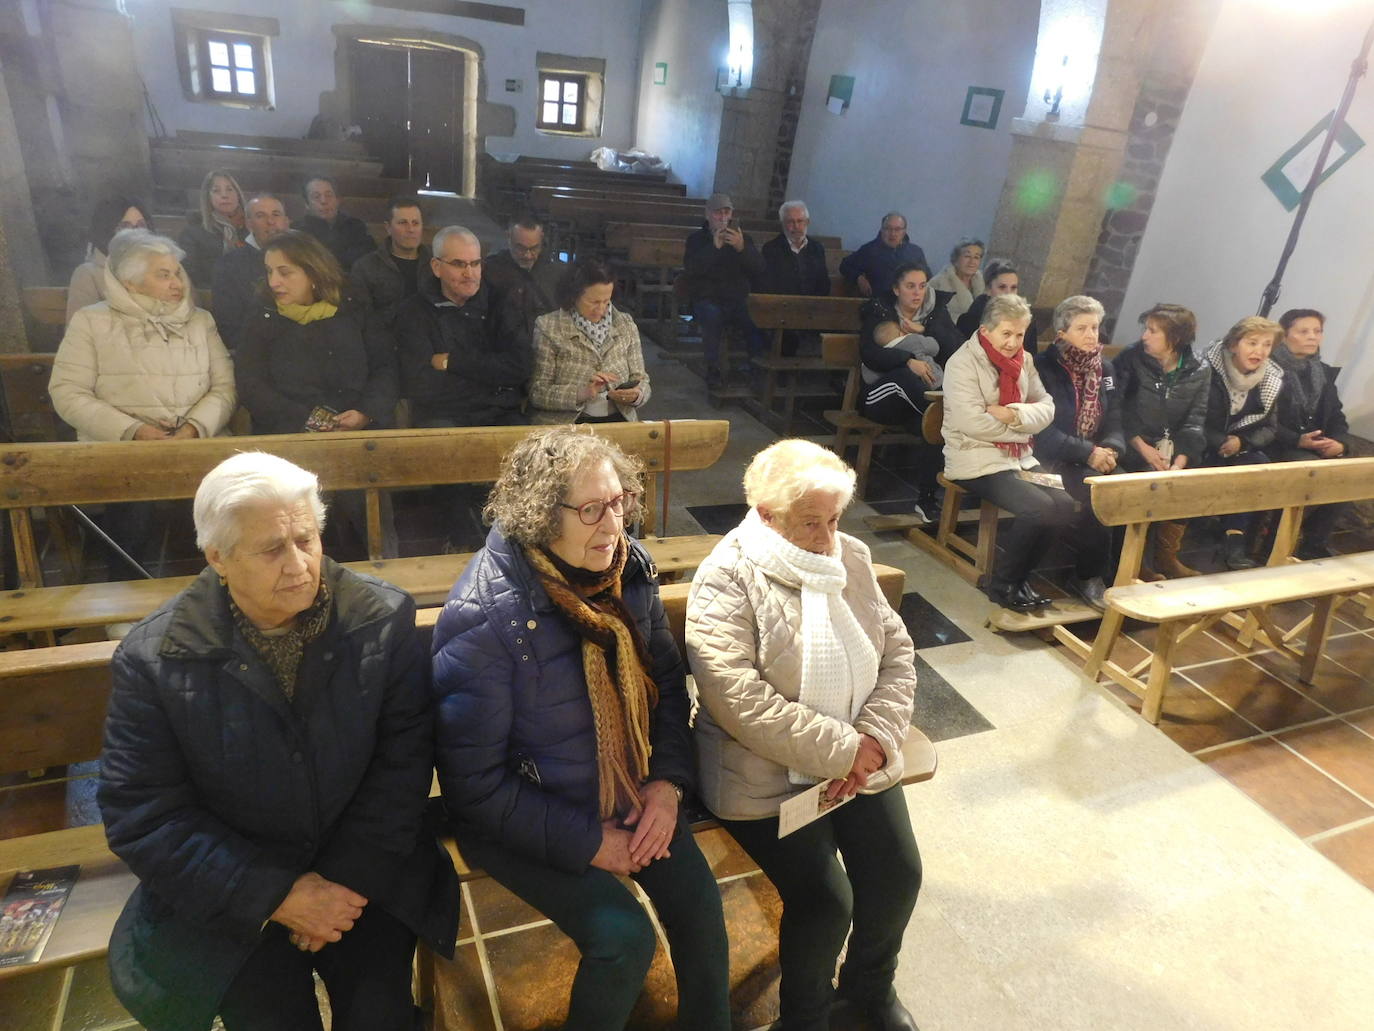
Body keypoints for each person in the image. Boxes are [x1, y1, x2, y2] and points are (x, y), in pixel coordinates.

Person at [98, 451, 459, 1031]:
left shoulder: (379, 619)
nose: (299, 564)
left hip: (364, 871)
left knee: (379, 1014)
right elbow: (142, 812)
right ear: (217, 556)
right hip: (234, 890)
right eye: (271, 548)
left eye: (307, 538)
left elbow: (403, 764)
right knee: (272, 1017)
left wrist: (340, 884)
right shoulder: (155, 659)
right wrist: (275, 895)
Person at [432, 428, 731, 1031]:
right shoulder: (485, 618)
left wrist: (667, 785)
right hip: (523, 815)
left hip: (628, 789)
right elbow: (475, 789)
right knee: (623, 939)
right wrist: (589, 842)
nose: (613, 523)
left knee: (700, 909)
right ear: (542, 516)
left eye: (619, 501)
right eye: (591, 509)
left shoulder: (627, 572)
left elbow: (668, 688)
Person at [686, 438, 921, 1031]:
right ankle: (806, 1018)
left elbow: (897, 652)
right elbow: (738, 700)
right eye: (810, 523)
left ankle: (870, 991)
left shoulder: (854, 558)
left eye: (834, 519)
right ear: (767, 515)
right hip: (761, 776)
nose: (826, 537)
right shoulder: (725, 578)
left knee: (898, 873)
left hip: (860, 757)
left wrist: (870, 740)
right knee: (825, 902)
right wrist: (845, 750)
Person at [235, 230, 399, 557]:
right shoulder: (262, 320)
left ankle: (383, 576)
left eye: (285, 272)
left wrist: (365, 412)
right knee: (302, 520)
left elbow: (385, 368)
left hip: (354, 434)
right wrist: (309, 419)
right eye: (269, 272)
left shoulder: (353, 311)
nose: (274, 281)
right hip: (291, 438)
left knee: (366, 506)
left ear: (312, 272)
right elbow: (252, 386)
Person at [394, 224, 531, 551]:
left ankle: (521, 552)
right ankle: (467, 554)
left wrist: (454, 363)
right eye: (459, 264)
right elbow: (420, 385)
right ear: (436, 266)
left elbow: (521, 367)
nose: (470, 273)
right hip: (443, 415)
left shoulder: (499, 302)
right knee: (448, 455)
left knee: (529, 456)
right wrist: (488, 377)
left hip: (499, 411)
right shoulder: (413, 313)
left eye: (476, 263)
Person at [942, 293, 1071, 611]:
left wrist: (1013, 415)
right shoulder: (962, 362)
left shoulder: (1024, 360)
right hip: (976, 457)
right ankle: (1001, 584)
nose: (1014, 342)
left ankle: (1021, 577)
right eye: (1006, 334)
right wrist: (1026, 423)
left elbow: (1047, 406)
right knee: (1037, 507)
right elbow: (972, 423)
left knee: (1066, 504)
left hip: (1020, 457)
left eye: (1020, 334)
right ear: (986, 331)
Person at [50, 229, 236, 443]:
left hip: (197, 444)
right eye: (164, 275)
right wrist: (132, 430)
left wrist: (194, 427)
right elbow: (68, 391)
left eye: (177, 273)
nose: (177, 283)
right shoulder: (91, 321)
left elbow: (225, 387)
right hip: (118, 451)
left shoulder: (201, 321)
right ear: (130, 281)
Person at [1031, 296, 1125, 609]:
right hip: (1051, 460)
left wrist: (1111, 447)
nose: (1091, 335)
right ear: (1061, 333)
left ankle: (1116, 574)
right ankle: (1088, 576)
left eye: (1095, 327)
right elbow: (1042, 432)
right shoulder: (1044, 368)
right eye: (1081, 327)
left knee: (1131, 489)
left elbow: (1114, 418)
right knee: (1100, 493)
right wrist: (1088, 452)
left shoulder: (1105, 368)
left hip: (1093, 457)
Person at [857, 262, 959, 521]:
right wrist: (907, 359)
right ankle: (949, 418)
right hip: (879, 397)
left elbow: (957, 346)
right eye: (910, 286)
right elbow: (870, 355)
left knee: (933, 426)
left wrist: (924, 330)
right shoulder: (880, 311)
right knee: (911, 383)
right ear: (896, 289)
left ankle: (926, 501)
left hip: (917, 402)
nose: (917, 293)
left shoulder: (934, 312)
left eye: (922, 286)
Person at [1116, 303, 1211, 579]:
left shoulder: (1199, 368)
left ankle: (1166, 557)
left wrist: (1180, 463)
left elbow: (1196, 420)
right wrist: (1144, 449)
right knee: (1150, 483)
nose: (1145, 336)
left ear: (1176, 338)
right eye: (1146, 329)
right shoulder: (1131, 359)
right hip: (1131, 444)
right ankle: (1135, 563)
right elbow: (1117, 409)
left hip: (1172, 450)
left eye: (1153, 331)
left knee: (1187, 483)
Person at [1203, 316, 1285, 570]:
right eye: (1252, 343)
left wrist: (1242, 442)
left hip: (1240, 448)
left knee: (1258, 466)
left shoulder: (1271, 378)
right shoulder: (1207, 368)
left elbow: (1270, 427)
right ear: (1234, 343)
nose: (1259, 351)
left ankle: (1235, 542)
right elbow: (1192, 414)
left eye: (1266, 345)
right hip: (1202, 442)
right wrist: (1220, 441)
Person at [530, 258, 650, 424]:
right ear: (573, 296)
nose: (600, 309)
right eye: (593, 302)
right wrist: (582, 393)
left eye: (606, 302)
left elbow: (642, 379)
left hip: (619, 419)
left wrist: (636, 395)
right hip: (568, 425)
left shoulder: (625, 324)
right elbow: (538, 393)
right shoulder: (549, 327)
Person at [1272, 308, 1350, 559]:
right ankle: (1274, 545)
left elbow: (1337, 416)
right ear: (1284, 335)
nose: (1312, 337)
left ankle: (1314, 543)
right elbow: (1263, 419)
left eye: (1317, 331)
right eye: (1303, 331)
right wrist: (1297, 440)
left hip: (1314, 445)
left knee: (1346, 474)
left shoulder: (1323, 372)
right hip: (1279, 443)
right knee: (1307, 469)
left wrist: (1339, 443)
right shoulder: (1270, 368)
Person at [683, 192, 765, 388]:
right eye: (718, 213)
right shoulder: (696, 240)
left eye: (726, 212)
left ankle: (756, 369)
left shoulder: (742, 239)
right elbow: (692, 271)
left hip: (736, 300)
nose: (722, 218)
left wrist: (742, 248)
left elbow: (760, 269)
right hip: (707, 299)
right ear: (708, 215)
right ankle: (713, 369)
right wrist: (713, 248)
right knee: (712, 317)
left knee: (756, 319)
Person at [212, 192, 292, 350]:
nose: (270, 221)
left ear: (286, 221)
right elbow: (229, 328)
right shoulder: (228, 266)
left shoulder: (304, 257)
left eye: (276, 214)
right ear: (249, 223)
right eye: (261, 216)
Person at [66, 196, 153, 321]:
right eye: (124, 227)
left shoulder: (165, 268)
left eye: (141, 225)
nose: (135, 233)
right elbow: (78, 331)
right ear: (106, 230)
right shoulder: (88, 274)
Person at [349, 195, 430, 325]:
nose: (410, 229)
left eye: (415, 223)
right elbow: (361, 317)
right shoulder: (365, 268)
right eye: (402, 223)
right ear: (388, 228)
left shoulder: (436, 265)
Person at [481, 215, 565, 324]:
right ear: (508, 236)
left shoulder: (556, 273)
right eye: (520, 248)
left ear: (542, 237)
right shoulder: (490, 270)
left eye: (534, 248)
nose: (528, 255)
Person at [177, 169, 248, 285]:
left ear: (238, 195)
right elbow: (190, 275)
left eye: (229, 189)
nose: (224, 195)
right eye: (216, 191)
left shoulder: (251, 228)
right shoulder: (192, 234)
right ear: (208, 197)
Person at [956, 259, 1041, 353]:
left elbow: (1030, 360)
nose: (1009, 293)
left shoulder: (1027, 323)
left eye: (1013, 288)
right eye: (1002, 287)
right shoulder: (969, 321)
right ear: (988, 289)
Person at [838, 212, 929, 298]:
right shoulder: (869, 250)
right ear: (882, 230)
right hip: (879, 305)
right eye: (888, 228)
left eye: (897, 229)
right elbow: (844, 265)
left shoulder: (915, 252)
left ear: (904, 231)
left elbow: (928, 278)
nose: (892, 234)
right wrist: (858, 278)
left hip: (909, 306)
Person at [300, 175, 375, 270]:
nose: (323, 201)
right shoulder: (298, 231)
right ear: (307, 204)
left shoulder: (356, 226)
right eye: (316, 197)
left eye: (329, 195)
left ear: (337, 200)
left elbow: (366, 260)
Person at [760, 200, 830, 297]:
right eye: (790, 222)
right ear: (783, 224)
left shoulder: (817, 249)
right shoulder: (771, 249)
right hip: (781, 306)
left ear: (807, 222)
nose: (796, 226)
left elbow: (824, 284)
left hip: (813, 307)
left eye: (800, 221)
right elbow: (768, 286)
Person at [927, 238, 985, 322]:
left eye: (976, 257)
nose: (972, 261)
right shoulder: (938, 283)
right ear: (956, 258)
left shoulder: (984, 282)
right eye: (967, 256)